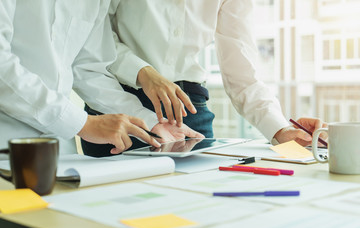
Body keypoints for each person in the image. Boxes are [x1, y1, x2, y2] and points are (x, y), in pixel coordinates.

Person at [80, 0, 326, 156]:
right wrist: (143, 71)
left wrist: (279, 129)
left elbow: (241, 70)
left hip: (189, 116)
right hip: (114, 104)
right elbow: (92, 40)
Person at [0, 0, 203, 158]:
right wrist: (83, 123)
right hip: (5, 143)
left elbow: (89, 68)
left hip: (59, 154)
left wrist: (149, 124)